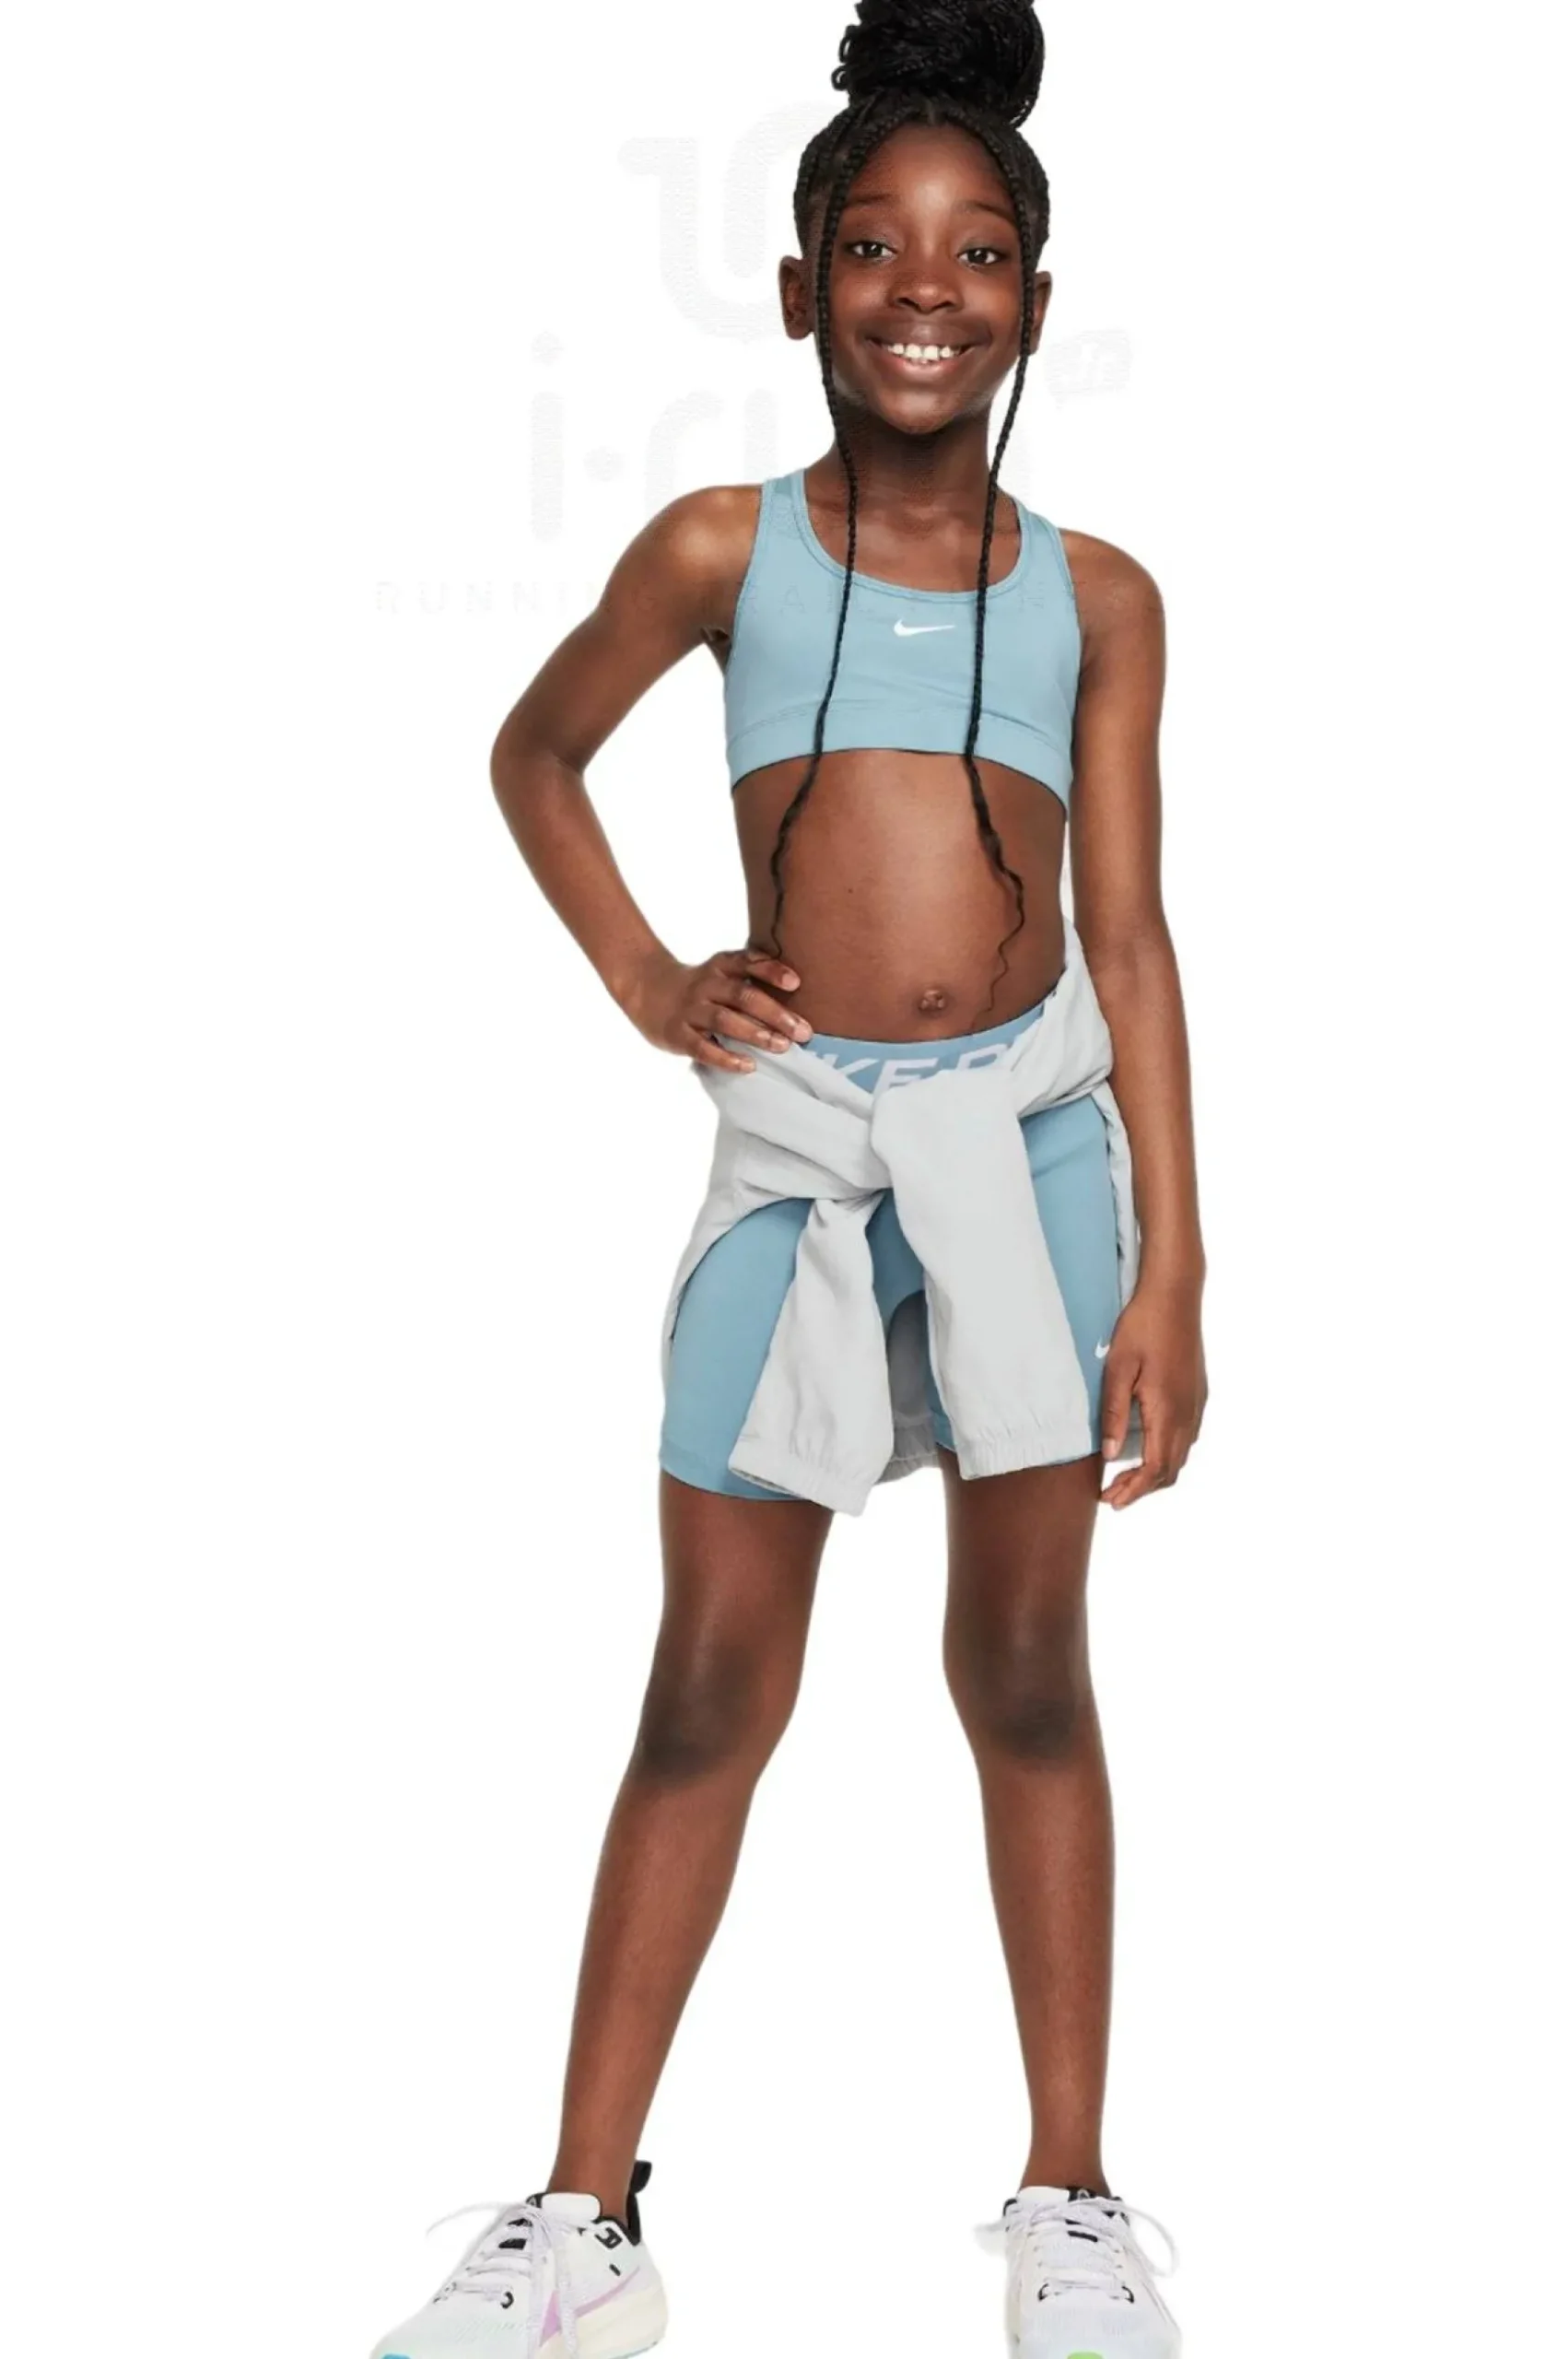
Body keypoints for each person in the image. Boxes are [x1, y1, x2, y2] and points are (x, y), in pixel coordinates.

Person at [369, 2, 1206, 2353]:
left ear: (1033, 297)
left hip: (1030, 1149)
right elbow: (534, 750)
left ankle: (1068, 2201)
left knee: (1023, 1669)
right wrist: (653, 979)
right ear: (796, 287)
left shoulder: (1096, 594)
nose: (921, 289)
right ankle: (580, 2224)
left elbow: (1130, 931)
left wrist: (1173, 1270)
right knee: (707, 1679)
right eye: (870, 246)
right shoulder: (718, 547)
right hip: (801, 1150)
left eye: (973, 251)